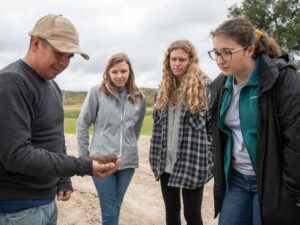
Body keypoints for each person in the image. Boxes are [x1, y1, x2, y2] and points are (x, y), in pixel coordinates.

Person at [0, 14, 121, 225]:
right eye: (59, 53)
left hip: (46, 204)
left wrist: (63, 179)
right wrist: (82, 166)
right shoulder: (11, 83)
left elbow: (55, 136)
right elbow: (16, 155)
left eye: (70, 56)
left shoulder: (52, 85)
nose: (65, 63)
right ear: (36, 43)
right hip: (16, 211)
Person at [209, 17, 300, 225]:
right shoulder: (221, 86)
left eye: (227, 52)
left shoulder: (282, 79)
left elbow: (296, 139)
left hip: (273, 183)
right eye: (216, 53)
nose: (219, 60)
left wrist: (293, 192)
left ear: (250, 50)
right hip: (238, 181)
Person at [76, 53, 146, 225]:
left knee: (116, 207)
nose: (119, 76)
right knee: (109, 212)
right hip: (101, 160)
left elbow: (136, 129)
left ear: (130, 72)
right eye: (114, 72)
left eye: (123, 71)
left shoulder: (139, 97)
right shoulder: (96, 92)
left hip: (127, 163)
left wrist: (128, 147)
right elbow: (82, 124)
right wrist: (84, 159)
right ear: (108, 72)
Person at [149, 40, 214, 225]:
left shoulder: (204, 87)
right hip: (165, 164)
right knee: (171, 213)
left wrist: (208, 157)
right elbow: (156, 125)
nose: (177, 63)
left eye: (182, 59)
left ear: (191, 61)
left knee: (192, 215)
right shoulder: (162, 89)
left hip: (191, 163)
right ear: (168, 61)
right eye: (173, 59)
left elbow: (212, 128)